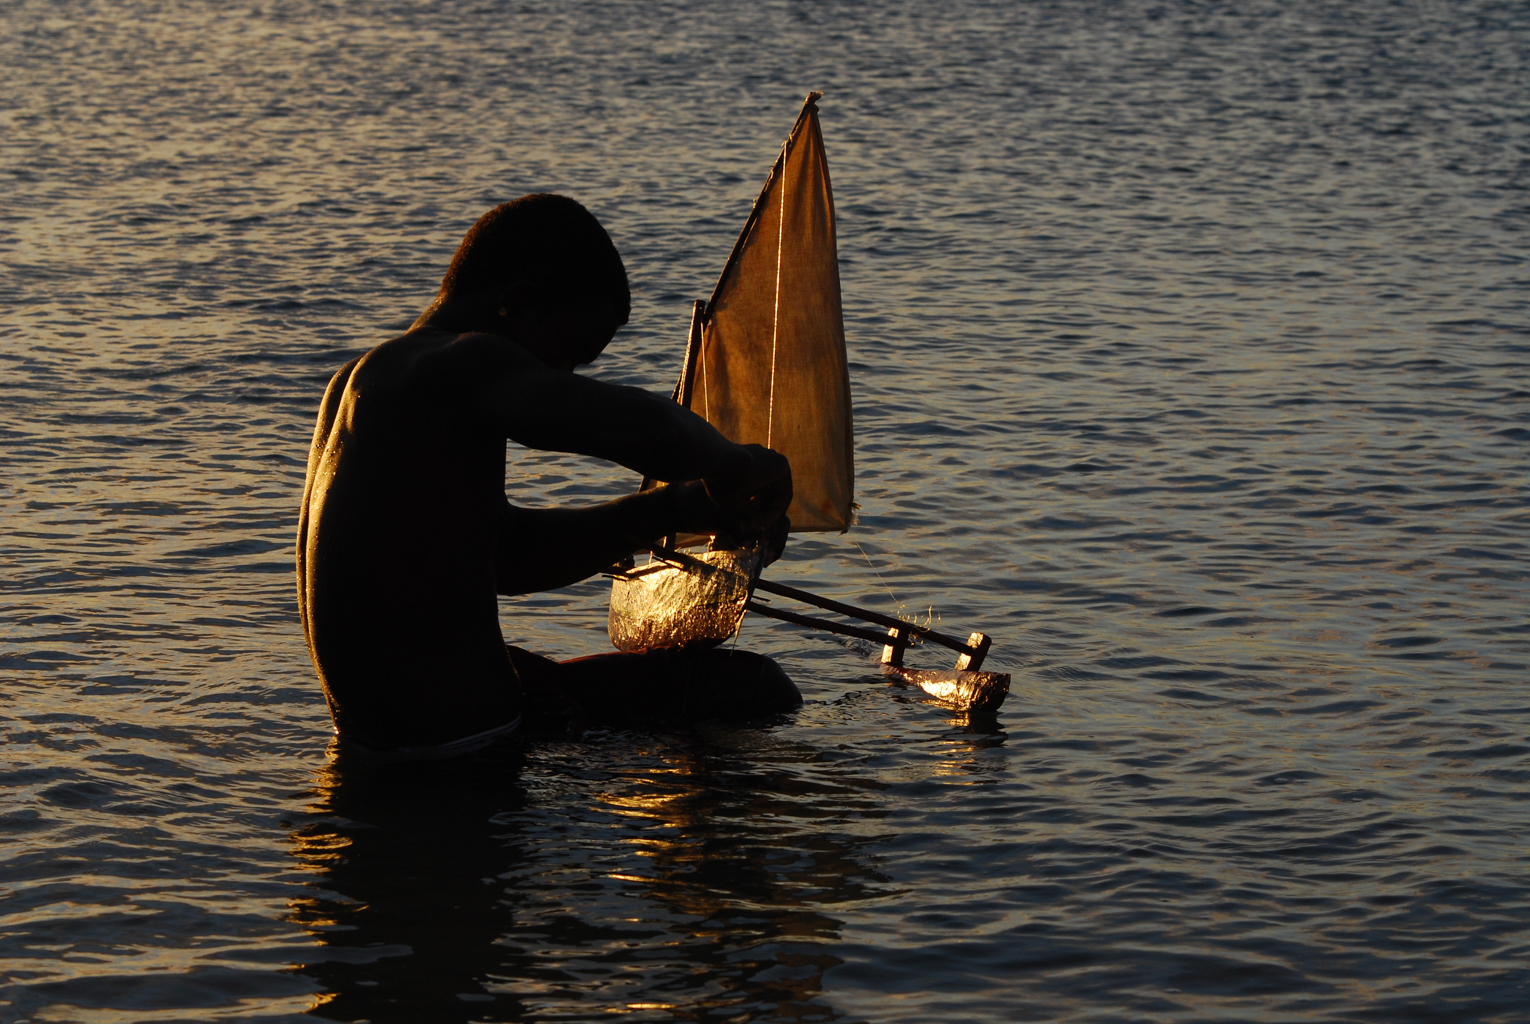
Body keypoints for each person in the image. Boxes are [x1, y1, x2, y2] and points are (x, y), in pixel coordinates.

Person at [296, 194, 799, 756]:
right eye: (565, 359)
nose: (561, 376)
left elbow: (504, 558)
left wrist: (670, 511)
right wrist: (735, 462)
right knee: (757, 689)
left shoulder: (363, 385)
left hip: (389, 747)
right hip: (463, 755)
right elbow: (637, 430)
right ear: (517, 305)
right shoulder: (458, 362)